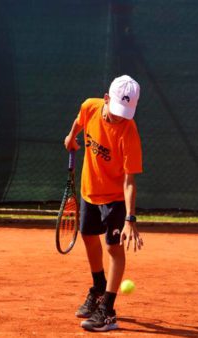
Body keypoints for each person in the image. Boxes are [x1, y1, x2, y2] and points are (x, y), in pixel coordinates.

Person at [63, 75, 144, 332]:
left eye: (126, 113)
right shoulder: (90, 107)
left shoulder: (129, 131)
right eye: (117, 110)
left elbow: (130, 180)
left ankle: (108, 311)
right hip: (89, 190)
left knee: (113, 249)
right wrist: (70, 136)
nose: (120, 117)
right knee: (88, 236)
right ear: (106, 99)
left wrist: (130, 218)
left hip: (115, 199)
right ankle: (98, 288)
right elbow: (79, 120)